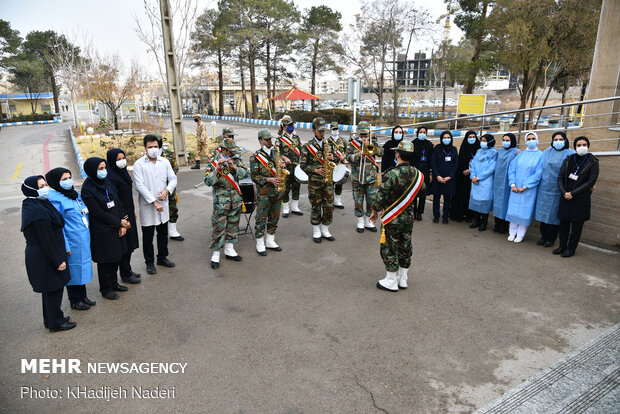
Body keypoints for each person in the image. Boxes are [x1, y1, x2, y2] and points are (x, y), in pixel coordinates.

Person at [21, 175, 75, 332]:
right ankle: (55, 323)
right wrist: (58, 260)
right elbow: (47, 240)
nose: (45, 189)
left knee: (51, 289)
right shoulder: (38, 212)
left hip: (45, 253)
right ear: (32, 190)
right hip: (45, 256)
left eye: (45, 185)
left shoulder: (36, 204)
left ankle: (52, 317)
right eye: (41, 186)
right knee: (53, 289)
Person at [370, 141, 425, 292]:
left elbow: (381, 196)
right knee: (405, 245)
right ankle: (403, 278)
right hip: (408, 217)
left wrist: (375, 211)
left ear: (397, 154)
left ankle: (391, 280)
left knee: (389, 246)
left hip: (392, 218)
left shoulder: (391, 173)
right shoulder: (418, 175)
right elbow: (422, 191)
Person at [45, 168, 96, 310]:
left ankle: (83, 296)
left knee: (83, 267)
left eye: (69, 177)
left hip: (83, 238)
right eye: (64, 179)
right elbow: (57, 226)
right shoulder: (55, 199)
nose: (68, 181)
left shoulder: (74, 194)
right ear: (55, 182)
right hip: (71, 240)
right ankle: (75, 300)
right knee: (73, 271)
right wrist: (65, 245)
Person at [81, 157, 131, 300]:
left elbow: (117, 202)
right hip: (102, 230)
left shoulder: (107, 182)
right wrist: (119, 222)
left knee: (117, 256)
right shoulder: (88, 189)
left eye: (104, 168)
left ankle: (114, 283)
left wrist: (123, 221)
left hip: (116, 225)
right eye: (100, 169)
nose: (104, 171)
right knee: (106, 261)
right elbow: (98, 213)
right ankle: (106, 288)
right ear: (92, 171)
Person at [133, 134, 177, 274]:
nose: (153, 149)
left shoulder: (164, 162)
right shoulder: (139, 164)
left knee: (163, 233)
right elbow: (139, 186)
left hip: (163, 203)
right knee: (148, 236)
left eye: (155, 147)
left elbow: (173, 178)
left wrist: (167, 190)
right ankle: (149, 262)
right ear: (145, 148)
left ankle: (162, 257)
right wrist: (154, 202)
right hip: (148, 206)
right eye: (150, 147)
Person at [204, 138, 249, 268]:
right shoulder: (213, 162)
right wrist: (217, 169)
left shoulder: (236, 160)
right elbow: (208, 181)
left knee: (233, 225)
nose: (233, 154)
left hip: (235, 199)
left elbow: (245, 174)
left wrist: (233, 167)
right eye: (231, 152)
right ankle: (216, 254)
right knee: (219, 227)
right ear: (223, 150)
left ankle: (230, 249)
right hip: (221, 201)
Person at [555, 136, 599, 257]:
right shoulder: (569, 159)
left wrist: (572, 193)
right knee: (563, 224)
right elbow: (560, 177)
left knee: (576, 226)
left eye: (584, 145)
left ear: (588, 146)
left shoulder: (593, 161)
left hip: (581, 198)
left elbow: (591, 181)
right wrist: (564, 192)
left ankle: (571, 249)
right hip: (566, 196)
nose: (581, 147)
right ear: (574, 147)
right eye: (579, 145)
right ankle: (562, 246)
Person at [106, 149, 142, 284]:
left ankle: (128, 268)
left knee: (131, 242)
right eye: (118, 159)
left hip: (128, 211)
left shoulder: (123, 173)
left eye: (123, 158)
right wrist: (122, 219)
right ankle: (125, 274)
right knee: (124, 244)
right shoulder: (110, 177)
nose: (122, 161)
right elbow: (115, 200)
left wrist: (132, 212)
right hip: (121, 214)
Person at [300, 117, 338, 243]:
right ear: (313, 130)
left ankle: (325, 229)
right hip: (315, 183)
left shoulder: (329, 144)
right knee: (316, 206)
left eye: (323, 131)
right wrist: (315, 170)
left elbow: (337, 159)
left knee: (329, 207)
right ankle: (316, 230)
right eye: (319, 130)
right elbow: (303, 165)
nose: (322, 133)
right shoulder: (307, 147)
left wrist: (334, 157)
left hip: (328, 181)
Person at [535, 132, 575, 247]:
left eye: (561, 139)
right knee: (543, 215)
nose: (558, 141)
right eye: (556, 139)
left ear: (565, 140)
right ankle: (543, 236)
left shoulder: (570, 154)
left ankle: (551, 239)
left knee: (554, 216)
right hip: (544, 188)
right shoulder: (546, 152)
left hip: (559, 190)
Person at [250, 129, 285, 255]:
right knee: (261, 218)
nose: (270, 141)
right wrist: (268, 179)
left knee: (274, 217)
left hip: (277, 192)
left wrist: (282, 166)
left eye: (270, 138)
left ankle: (270, 240)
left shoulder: (276, 152)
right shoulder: (255, 157)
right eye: (267, 139)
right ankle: (260, 243)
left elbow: (280, 166)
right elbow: (254, 177)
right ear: (260, 141)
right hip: (264, 193)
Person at [505, 132, 544, 243]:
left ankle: (520, 234)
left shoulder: (541, 155)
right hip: (515, 188)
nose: (531, 140)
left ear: (537, 140)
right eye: (529, 138)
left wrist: (525, 186)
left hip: (528, 190)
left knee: (524, 211)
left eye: (533, 138)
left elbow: (538, 173)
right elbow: (512, 169)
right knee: (513, 210)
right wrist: (513, 184)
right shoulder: (520, 154)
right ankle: (512, 232)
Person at [346, 121, 383, 233]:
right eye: (361, 134)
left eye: (365, 134)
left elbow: (381, 153)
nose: (363, 136)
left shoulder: (373, 141)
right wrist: (358, 155)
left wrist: (369, 146)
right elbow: (347, 157)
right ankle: (360, 221)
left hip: (371, 177)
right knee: (358, 200)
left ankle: (369, 221)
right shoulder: (352, 143)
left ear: (369, 132)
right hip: (357, 177)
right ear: (358, 132)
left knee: (371, 200)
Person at [156, 136, 184, 241]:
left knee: (172, 208)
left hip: (169, 186)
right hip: (155, 187)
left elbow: (175, 167)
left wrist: (167, 174)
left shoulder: (168, 154)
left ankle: (173, 231)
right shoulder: (147, 155)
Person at [468, 133, 498, 231]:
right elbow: (473, 164)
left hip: (485, 181)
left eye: (485, 141)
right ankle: (476, 221)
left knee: (484, 202)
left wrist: (479, 177)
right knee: (476, 201)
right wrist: (473, 176)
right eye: (482, 140)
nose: (482, 143)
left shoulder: (493, 152)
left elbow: (491, 168)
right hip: (475, 180)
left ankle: (484, 222)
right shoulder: (478, 151)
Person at [277, 115, 304, 216]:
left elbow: (301, 151)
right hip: (286, 168)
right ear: (284, 127)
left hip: (296, 167)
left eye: (292, 125)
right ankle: (286, 208)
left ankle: (295, 207)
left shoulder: (297, 138)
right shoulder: (280, 139)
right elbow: (276, 153)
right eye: (289, 125)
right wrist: (283, 158)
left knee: (296, 186)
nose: (291, 126)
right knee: (286, 188)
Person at [492, 133, 519, 234]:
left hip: (508, 182)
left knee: (506, 204)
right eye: (504, 140)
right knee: (497, 203)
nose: (505, 142)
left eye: (508, 140)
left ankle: (504, 226)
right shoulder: (499, 151)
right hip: (498, 181)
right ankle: (497, 224)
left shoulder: (516, 152)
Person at [430, 130, 458, 224]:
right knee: (436, 198)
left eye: (448, 138)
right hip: (437, 177)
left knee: (447, 199)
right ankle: (436, 216)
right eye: (444, 138)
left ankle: (445, 217)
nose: (446, 139)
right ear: (441, 139)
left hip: (449, 179)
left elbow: (456, 165)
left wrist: (450, 176)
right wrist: (437, 175)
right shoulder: (436, 148)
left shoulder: (454, 149)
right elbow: (433, 163)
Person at [451, 130, 480, 222]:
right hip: (463, 177)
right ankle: (459, 213)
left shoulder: (479, 150)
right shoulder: (464, 148)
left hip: (475, 177)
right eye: (470, 137)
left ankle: (470, 215)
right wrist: (463, 172)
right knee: (462, 194)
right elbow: (460, 162)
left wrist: (471, 171)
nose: (472, 139)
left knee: (471, 196)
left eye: (473, 137)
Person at [411, 126, 434, 221]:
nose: (422, 133)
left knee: (423, 194)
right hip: (415, 171)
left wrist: (431, 173)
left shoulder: (429, 145)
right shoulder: (412, 144)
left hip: (425, 171)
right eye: (421, 132)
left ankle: (420, 212)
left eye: (424, 132)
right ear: (417, 133)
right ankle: (413, 211)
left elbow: (431, 160)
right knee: (414, 193)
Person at [328, 121, 348, 209]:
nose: (335, 130)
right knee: (330, 183)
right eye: (333, 129)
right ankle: (330, 201)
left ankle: (337, 201)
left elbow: (348, 151)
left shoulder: (343, 140)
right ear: (330, 130)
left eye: (336, 129)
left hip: (341, 164)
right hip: (331, 165)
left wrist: (344, 156)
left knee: (339, 183)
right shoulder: (327, 141)